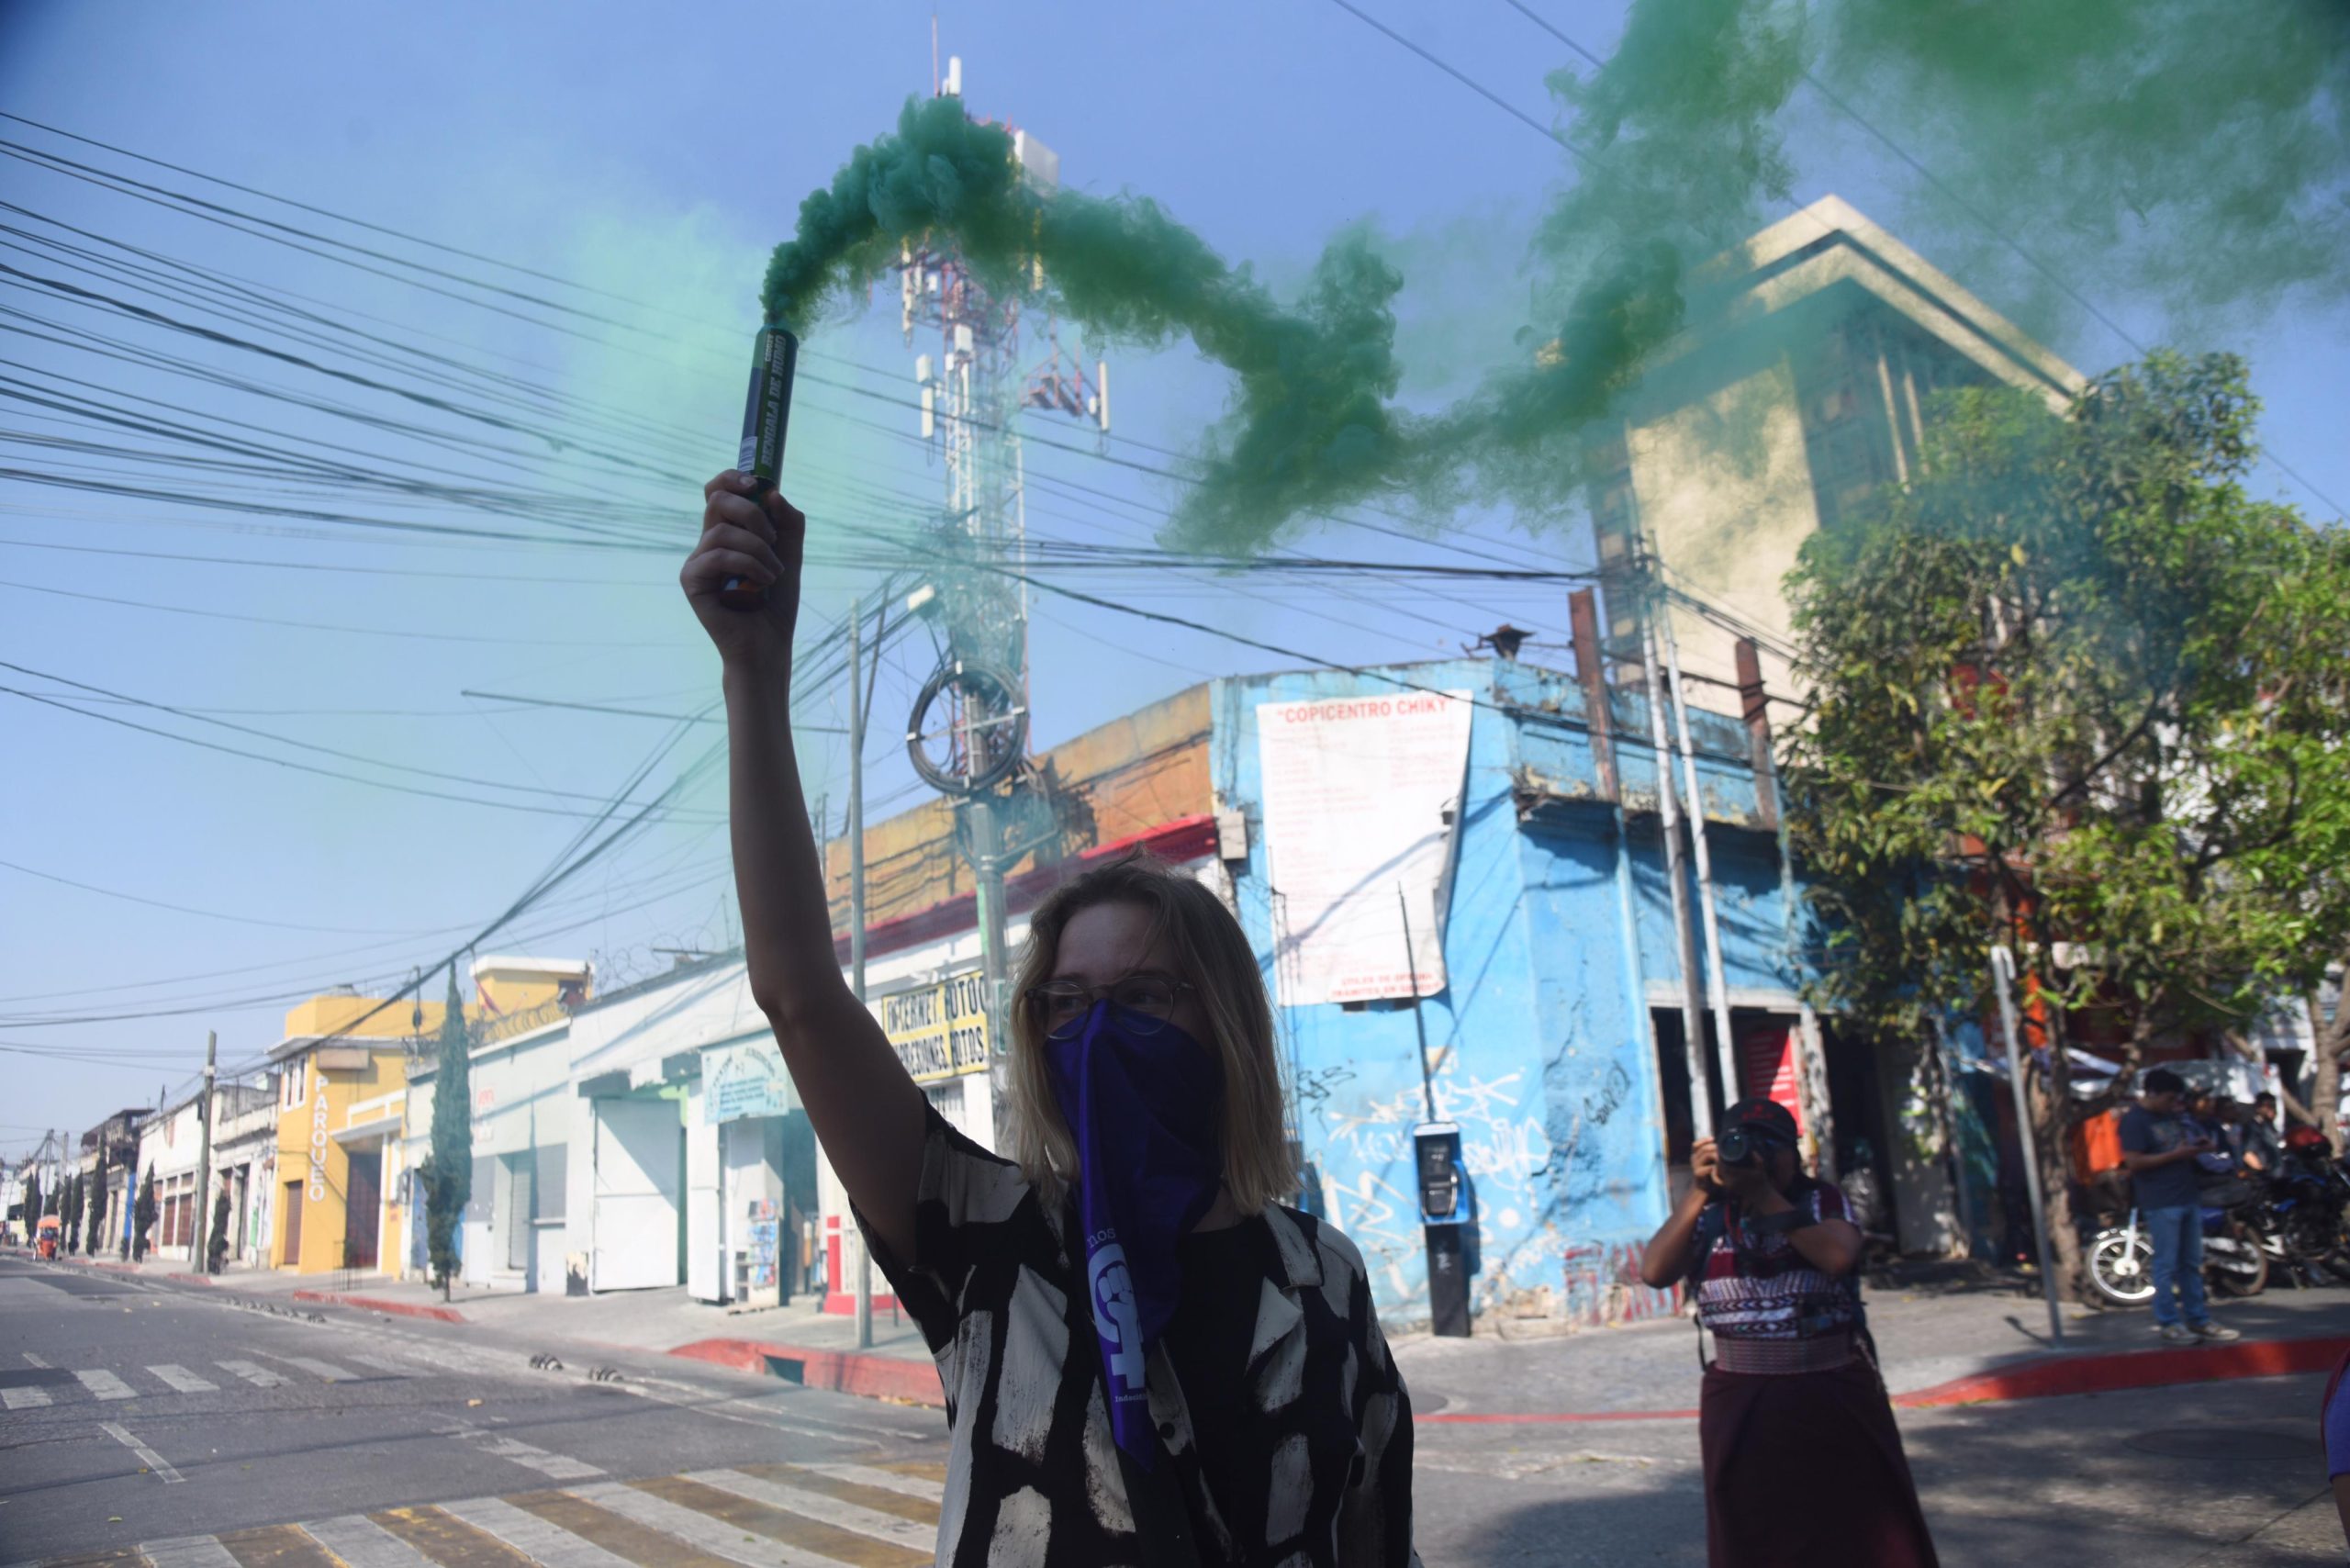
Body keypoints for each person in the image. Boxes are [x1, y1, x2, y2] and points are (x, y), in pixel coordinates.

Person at [683, 472, 1416, 1567]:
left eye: (1142, 1000)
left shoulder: (1323, 1279)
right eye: (1065, 1004)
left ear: (1223, 1027)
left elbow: (1374, 1542)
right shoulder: (988, 1243)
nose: (1097, 1033)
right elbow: (796, 989)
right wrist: (754, 669)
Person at [1637, 1099, 1939, 1568]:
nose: (1754, 1157)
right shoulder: (1711, 1213)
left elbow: (1837, 1257)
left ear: (1794, 1154)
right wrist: (1698, 1192)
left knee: (1858, 1526)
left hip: (1829, 1385)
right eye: (1741, 1144)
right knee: (1752, 1529)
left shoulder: (1821, 1201)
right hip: (1740, 1394)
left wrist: (1764, 1196)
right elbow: (1654, 1272)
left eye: (1770, 1147)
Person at [2119, 1070, 2242, 1344]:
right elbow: (2134, 1162)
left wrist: (2197, 1148)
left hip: (2187, 1195)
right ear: (2151, 1093)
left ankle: (2198, 1318)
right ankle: (2169, 1322)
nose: (2172, 1103)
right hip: (2160, 1201)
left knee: (2191, 1263)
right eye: (2168, 1098)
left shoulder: (2171, 1117)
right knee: (2165, 1264)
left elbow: (2180, 1146)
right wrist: (2175, 1155)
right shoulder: (2134, 1121)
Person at [2244, 1092, 2285, 1175]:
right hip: (2267, 1178)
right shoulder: (2254, 1127)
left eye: (2274, 1105)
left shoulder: (2269, 1126)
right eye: (2268, 1106)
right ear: (2258, 1107)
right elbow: (2248, 1155)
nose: (2272, 1109)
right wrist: (2262, 1172)